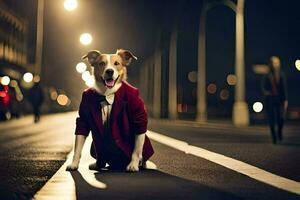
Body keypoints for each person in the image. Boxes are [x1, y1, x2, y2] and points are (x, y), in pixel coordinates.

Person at [262, 56, 288, 144]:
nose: (276, 64)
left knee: (281, 118)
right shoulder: (267, 75)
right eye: (274, 62)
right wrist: (267, 92)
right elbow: (264, 87)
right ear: (271, 64)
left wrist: (285, 100)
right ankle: (274, 138)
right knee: (271, 119)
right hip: (270, 100)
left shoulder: (281, 74)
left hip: (279, 99)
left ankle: (279, 132)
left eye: (277, 62)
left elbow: (284, 88)